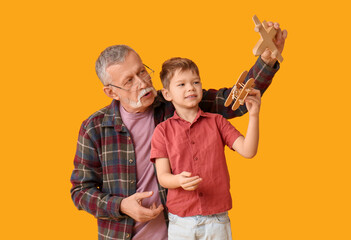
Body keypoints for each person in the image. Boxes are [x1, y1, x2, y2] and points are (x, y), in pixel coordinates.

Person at [70, 21, 286, 240]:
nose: (142, 82)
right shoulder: (94, 128)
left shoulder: (177, 102)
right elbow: (80, 191)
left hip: (179, 230)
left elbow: (233, 101)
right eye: (129, 80)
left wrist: (266, 61)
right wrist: (121, 206)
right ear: (111, 92)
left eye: (142, 72)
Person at [151, 57, 261, 239]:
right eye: (181, 84)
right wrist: (178, 180)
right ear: (167, 94)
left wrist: (254, 116)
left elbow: (248, 151)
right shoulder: (162, 131)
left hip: (217, 220)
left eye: (195, 82)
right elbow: (163, 177)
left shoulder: (217, 121)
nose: (190, 88)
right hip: (181, 221)